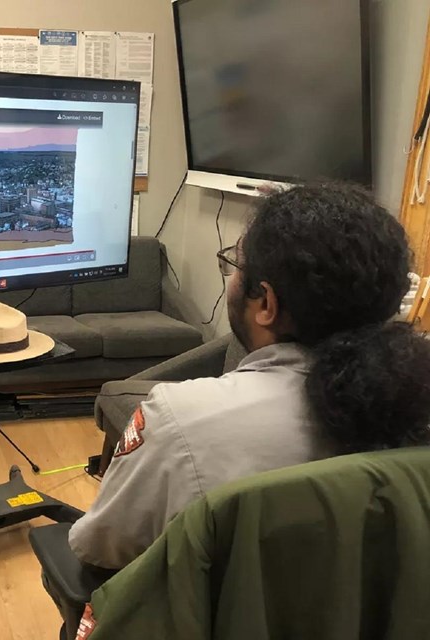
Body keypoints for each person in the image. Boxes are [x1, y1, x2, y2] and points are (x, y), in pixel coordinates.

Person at [68, 182, 430, 570]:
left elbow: (100, 547)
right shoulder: (415, 407)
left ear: (267, 304)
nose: (230, 279)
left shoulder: (182, 422)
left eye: (234, 266)